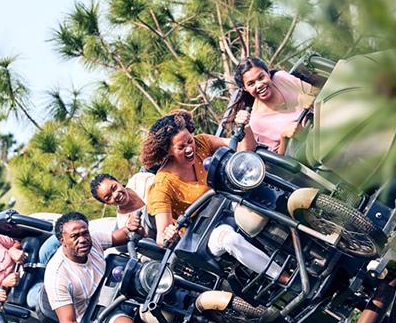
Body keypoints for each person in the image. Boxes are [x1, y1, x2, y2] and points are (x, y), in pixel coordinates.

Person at [141, 110, 286, 282]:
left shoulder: (201, 142)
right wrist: (169, 233)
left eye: (189, 141)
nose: (189, 149)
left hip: (228, 204)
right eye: (181, 147)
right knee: (229, 239)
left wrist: (245, 127)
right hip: (204, 232)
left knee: (255, 195)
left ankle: (295, 236)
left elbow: (243, 151)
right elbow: (161, 237)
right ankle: (283, 277)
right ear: (168, 150)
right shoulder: (162, 184)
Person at [45, 211, 169, 323]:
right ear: (62, 240)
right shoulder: (57, 275)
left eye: (85, 233)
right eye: (74, 236)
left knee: (162, 285)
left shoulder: (94, 240)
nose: (82, 240)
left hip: (118, 290)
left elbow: (122, 235)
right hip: (96, 316)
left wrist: (130, 227)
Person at [232, 57, 320, 155]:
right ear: (245, 88)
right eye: (251, 84)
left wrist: (308, 97)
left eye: (261, 78)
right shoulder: (256, 122)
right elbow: (278, 161)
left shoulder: (281, 78)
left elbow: (320, 93)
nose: (259, 85)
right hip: (311, 152)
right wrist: (284, 137)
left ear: (268, 73)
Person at [89, 171, 156, 239]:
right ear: (107, 203)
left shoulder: (141, 180)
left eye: (114, 187)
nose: (115, 195)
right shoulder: (124, 223)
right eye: (108, 198)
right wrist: (140, 231)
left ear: (118, 182)